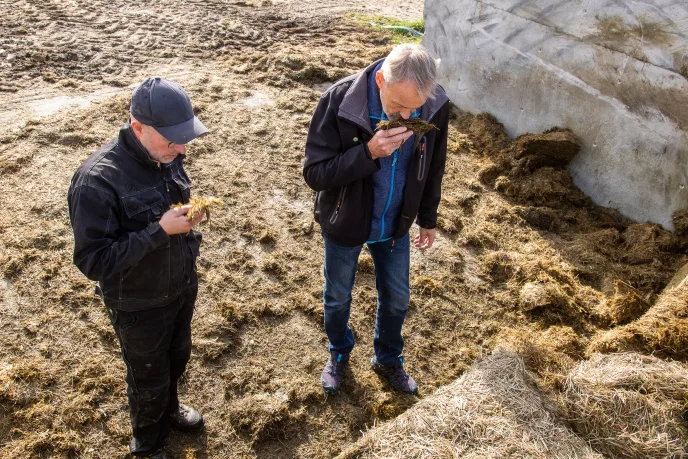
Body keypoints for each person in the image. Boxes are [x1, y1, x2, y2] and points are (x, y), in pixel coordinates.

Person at [68, 77, 208, 459]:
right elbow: (93, 261)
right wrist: (159, 231)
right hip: (137, 303)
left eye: (184, 138)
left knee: (178, 356)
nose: (181, 150)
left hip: (179, 285)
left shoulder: (167, 156)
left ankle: (170, 409)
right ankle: (148, 444)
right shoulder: (96, 180)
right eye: (172, 140)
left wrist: (188, 230)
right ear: (138, 128)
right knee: (148, 375)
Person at [303, 44, 450, 395]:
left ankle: (387, 359)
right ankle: (339, 353)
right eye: (397, 106)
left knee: (398, 298)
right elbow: (315, 173)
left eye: (414, 108)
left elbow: (434, 166)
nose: (406, 115)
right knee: (338, 297)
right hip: (346, 221)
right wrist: (368, 153)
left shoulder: (435, 104)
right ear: (381, 79)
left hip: (396, 224)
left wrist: (427, 218)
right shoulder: (339, 101)